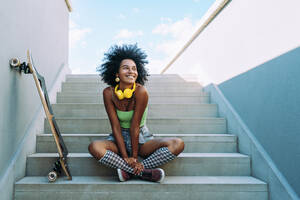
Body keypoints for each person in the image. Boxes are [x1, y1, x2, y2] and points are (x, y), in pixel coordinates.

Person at [88, 44, 184, 183]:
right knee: (94, 147)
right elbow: (115, 126)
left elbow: (135, 127)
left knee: (178, 144)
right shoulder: (108, 93)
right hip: (118, 137)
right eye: (126, 68)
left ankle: (136, 169)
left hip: (141, 138)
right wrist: (125, 155)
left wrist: (133, 157)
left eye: (134, 68)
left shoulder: (141, 91)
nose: (131, 71)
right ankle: (143, 173)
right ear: (117, 74)